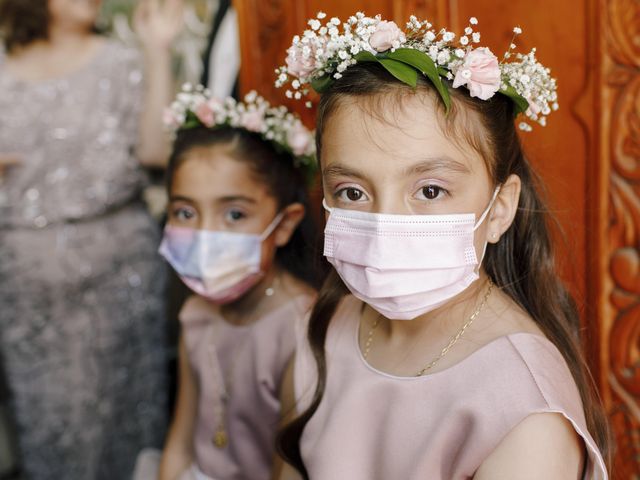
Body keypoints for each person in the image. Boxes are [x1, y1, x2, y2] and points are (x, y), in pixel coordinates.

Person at [274, 12, 610, 480]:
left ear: (499, 209)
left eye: (430, 191)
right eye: (353, 191)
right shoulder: (322, 330)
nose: (384, 226)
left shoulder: (527, 415)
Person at [0, 0, 183, 478]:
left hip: (119, 269)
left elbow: (158, 152)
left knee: (127, 405)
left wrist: (156, 52)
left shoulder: (120, 60)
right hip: (24, 280)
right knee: (49, 414)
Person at [157, 87, 318, 480]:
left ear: (285, 224)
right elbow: (179, 440)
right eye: (184, 211)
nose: (205, 234)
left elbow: (291, 468)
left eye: (233, 214)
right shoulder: (195, 312)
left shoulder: (302, 326)